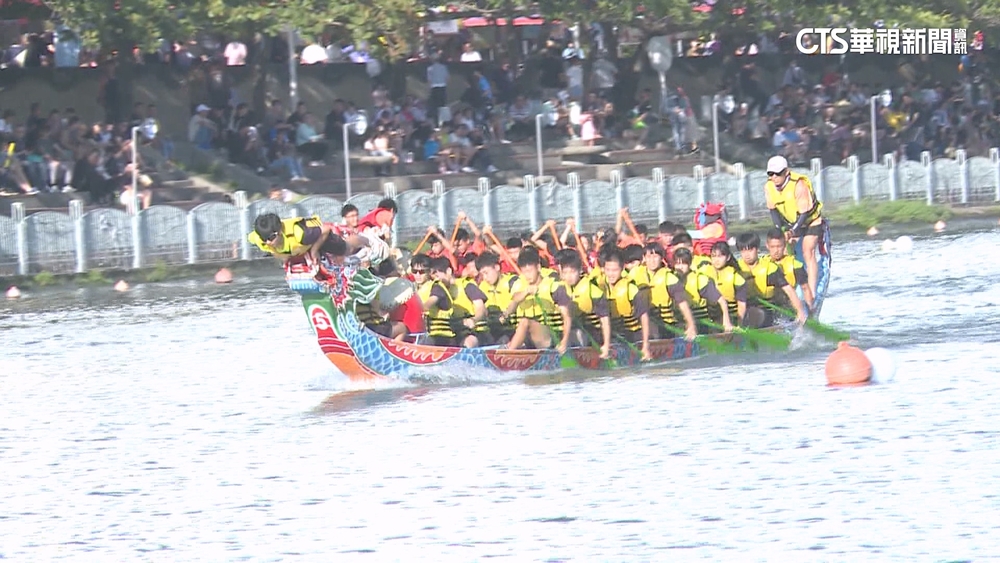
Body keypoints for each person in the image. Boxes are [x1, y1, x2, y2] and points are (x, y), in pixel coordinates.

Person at [764, 155, 825, 305]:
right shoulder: (769, 187)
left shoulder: (799, 185)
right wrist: (780, 231)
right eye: (771, 174)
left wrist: (792, 232)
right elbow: (773, 211)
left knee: (807, 251)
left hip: (810, 221)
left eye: (778, 173)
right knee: (783, 252)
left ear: (786, 172)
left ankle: (812, 293)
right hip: (790, 222)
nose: (774, 177)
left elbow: (804, 214)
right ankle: (788, 293)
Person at [501, 248, 573, 354]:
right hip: (526, 336)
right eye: (524, 272)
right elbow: (513, 303)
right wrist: (526, 292)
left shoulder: (554, 286)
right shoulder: (519, 284)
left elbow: (567, 316)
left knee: (525, 321)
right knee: (514, 331)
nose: (527, 276)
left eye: (530, 271)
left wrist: (564, 341)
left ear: (538, 268)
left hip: (550, 337)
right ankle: (513, 347)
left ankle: (508, 354)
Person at [735, 232, 807, 326]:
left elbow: (789, 290)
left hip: (766, 311)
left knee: (756, 313)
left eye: (750, 250)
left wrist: (800, 312)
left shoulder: (770, 269)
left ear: (757, 249)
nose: (747, 255)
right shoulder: (736, 269)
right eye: (743, 251)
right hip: (742, 310)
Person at [556, 249, 612, 359]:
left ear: (580, 270)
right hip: (569, 331)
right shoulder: (559, 289)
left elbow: (605, 320)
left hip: (593, 333)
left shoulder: (594, 291)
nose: (569, 276)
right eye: (565, 273)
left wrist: (606, 345)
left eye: (572, 272)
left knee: (577, 333)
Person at [601, 249, 653, 360]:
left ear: (622, 269)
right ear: (604, 269)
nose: (611, 274)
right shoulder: (599, 287)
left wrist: (645, 345)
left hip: (634, 333)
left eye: (615, 270)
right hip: (614, 334)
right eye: (608, 270)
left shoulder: (631, 288)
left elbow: (644, 317)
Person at [639, 244, 698, 341]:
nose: (652, 261)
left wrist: (691, 325)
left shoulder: (669, 278)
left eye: (655, 257)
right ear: (644, 258)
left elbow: (682, 303)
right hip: (643, 325)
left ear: (662, 258)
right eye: (649, 257)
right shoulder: (635, 275)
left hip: (666, 326)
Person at [429, 256, 489, 347]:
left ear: (448, 271)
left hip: (474, 331)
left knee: (469, 341)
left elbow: (480, 307)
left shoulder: (467, 285)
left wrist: (474, 319)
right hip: (452, 333)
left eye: (437, 276)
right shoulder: (437, 290)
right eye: (433, 278)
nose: (436, 280)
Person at [248, 213, 347, 267]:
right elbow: (251, 238)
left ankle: (356, 242)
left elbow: (325, 230)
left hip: (320, 236)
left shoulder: (300, 235)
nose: (268, 242)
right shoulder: (258, 237)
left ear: (279, 231)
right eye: (263, 239)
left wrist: (314, 251)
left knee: (344, 249)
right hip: (300, 248)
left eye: (271, 238)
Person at [672, 248, 733, 333]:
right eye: (677, 264)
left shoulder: (700, 280)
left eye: (684, 263)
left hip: (701, 324)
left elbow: (722, 301)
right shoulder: (671, 280)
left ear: (690, 264)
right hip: (679, 324)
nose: (680, 267)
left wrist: (726, 321)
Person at [699, 241, 757, 327]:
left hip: (733, 317)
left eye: (720, 256)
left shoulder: (736, 277)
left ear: (728, 257)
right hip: (711, 317)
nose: (716, 260)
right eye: (713, 256)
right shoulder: (703, 273)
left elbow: (741, 304)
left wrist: (739, 325)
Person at [765, 227, 814, 311]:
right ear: (767, 246)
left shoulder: (796, 266)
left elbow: (805, 288)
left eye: (779, 246)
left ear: (784, 245)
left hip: (788, 304)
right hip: (767, 305)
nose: (776, 251)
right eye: (772, 247)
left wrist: (810, 310)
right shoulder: (762, 264)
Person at [476, 252, 517, 343]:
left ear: (497, 267)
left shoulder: (512, 282)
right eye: (482, 274)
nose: (485, 278)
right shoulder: (482, 286)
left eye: (486, 273)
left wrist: (505, 315)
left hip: (512, 329)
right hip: (492, 330)